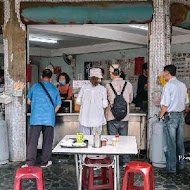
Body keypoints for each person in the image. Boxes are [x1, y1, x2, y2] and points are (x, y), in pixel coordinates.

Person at [22, 69, 61, 168]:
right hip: (49, 119)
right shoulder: (54, 88)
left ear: (41, 76)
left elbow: (28, 101)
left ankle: (29, 162)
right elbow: (58, 105)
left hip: (36, 118)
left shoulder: (35, 87)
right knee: (47, 141)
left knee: (33, 141)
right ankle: (44, 162)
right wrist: (51, 113)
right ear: (51, 78)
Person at [159, 65, 189, 174]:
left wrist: (161, 115)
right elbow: (186, 104)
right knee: (180, 143)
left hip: (171, 117)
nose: (162, 74)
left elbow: (165, 105)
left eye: (163, 72)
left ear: (167, 73)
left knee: (171, 143)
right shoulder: (182, 85)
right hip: (180, 116)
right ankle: (181, 165)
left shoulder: (168, 86)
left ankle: (171, 168)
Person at [106, 64, 133, 165]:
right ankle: (125, 161)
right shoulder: (129, 84)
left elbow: (106, 101)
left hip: (112, 116)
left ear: (111, 73)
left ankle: (112, 161)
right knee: (124, 139)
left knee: (112, 139)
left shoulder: (108, 86)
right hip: (124, 117)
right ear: (120, 72)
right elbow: (130, 100)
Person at [76, 68, 108, 135]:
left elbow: (78, 101)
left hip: (84, 119)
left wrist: (85, 104)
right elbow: (105, 105)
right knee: (95, 141)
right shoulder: (103, 89)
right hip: (97, 120)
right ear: (99, 78)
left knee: (85, 140)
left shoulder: (84, 87)